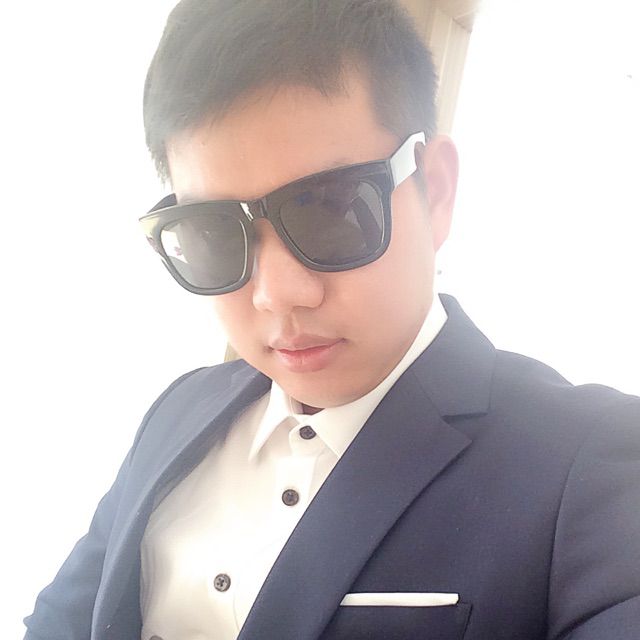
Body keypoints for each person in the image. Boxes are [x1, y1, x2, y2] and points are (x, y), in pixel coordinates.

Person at [24, 1, 640, 639]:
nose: (277, 295)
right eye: (212, 232)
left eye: (332, 209)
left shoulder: (594, 465)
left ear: (434, 189)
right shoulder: (177, 412)